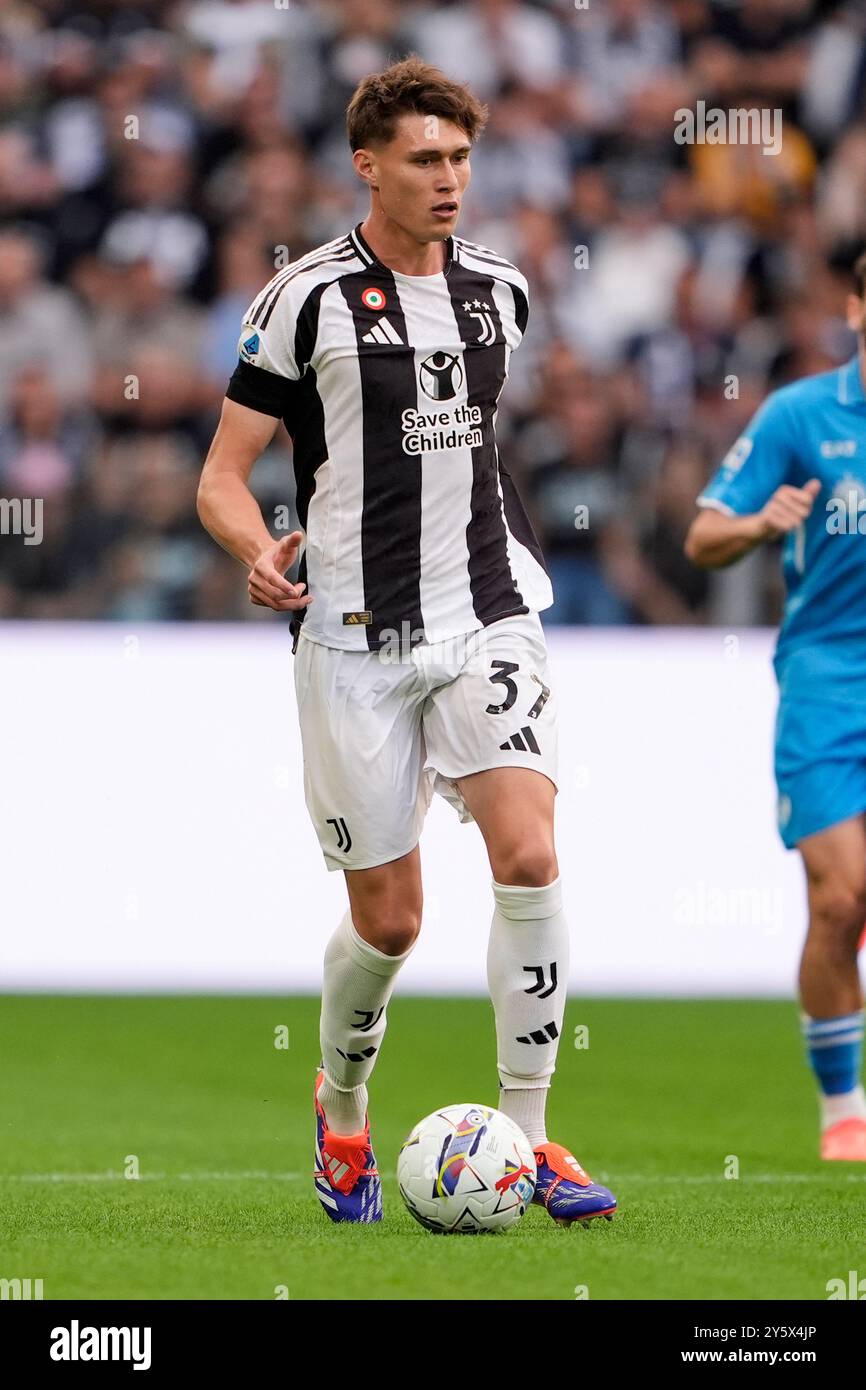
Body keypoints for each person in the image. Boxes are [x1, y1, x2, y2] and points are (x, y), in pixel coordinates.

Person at [197, 56, 617, 1225]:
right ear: (366, 164)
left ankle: (529, 1138)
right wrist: (253, 546)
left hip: (483, 610)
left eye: (461, 158)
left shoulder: (502, 292)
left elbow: (468, 457)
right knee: (390, 920)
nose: (448, 179)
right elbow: (222, 479)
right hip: (350, 639)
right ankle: (340, 1113)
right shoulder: (304, 302)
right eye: (425, 159)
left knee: (527, 852)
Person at [685, 249, 866, 1162]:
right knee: (842, 900)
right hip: (829, 678)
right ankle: (845, 1112)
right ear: (854, 308)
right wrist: (758, 525)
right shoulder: (803, 414)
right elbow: (704, 532)